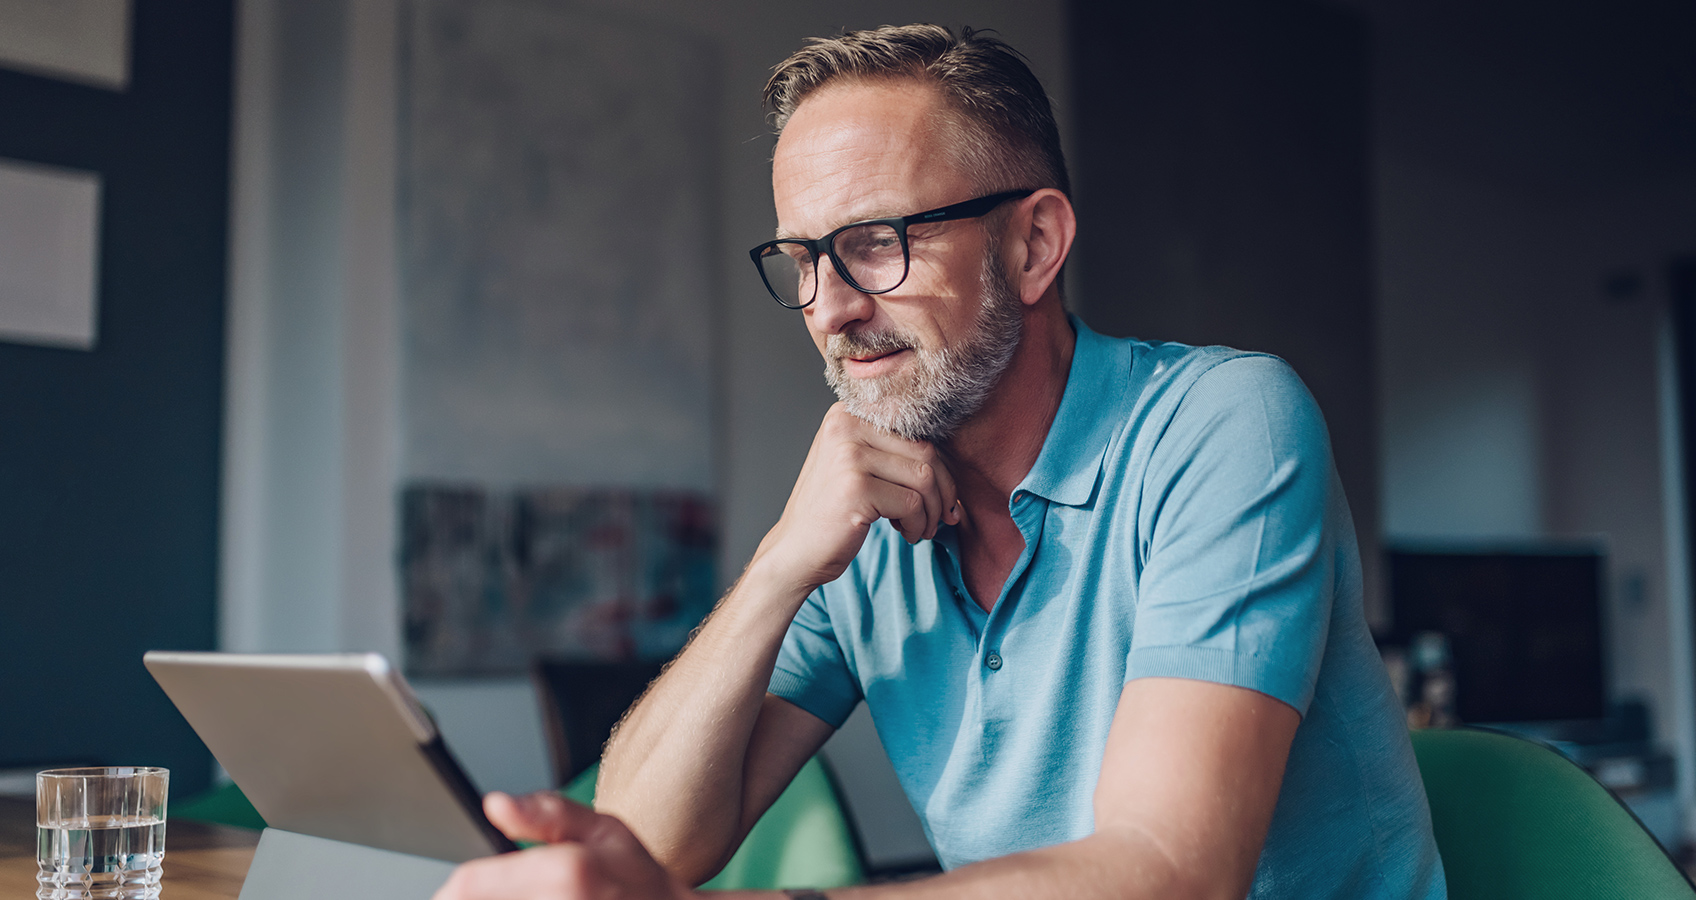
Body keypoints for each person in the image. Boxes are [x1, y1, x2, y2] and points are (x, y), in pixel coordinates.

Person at [435, 24, 1446, 900]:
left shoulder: (1224, 424)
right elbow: (651, 841)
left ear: (1034, 245)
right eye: (802, 261)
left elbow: (1172, 873)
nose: (830, 308)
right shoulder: (860, 514)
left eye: (876, 242)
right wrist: (785, 563)